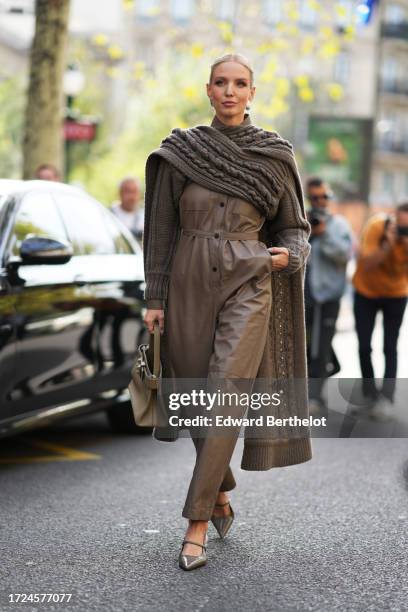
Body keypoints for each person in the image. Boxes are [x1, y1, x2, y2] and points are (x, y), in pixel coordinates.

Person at [142, 53, 312, 571]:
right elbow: (161, 230)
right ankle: (219, 489)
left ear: (252, 92)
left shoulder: (275, 155)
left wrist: (291, 255)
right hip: (187, 279)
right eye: (222, 83)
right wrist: (154, 298)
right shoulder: (181, 152)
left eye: (240, 83)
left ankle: (195, 523)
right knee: (196, 391)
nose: (230, 91)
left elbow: (294, 227)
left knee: (225, 392)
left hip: (250, 277)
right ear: (208, 90)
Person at [352, 202, 408, 420]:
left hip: (396, 295)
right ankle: (370, 394)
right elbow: (365, 264)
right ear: (393, 218)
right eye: (401, 225)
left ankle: (386, 398)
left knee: (390, 346)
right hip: (366, 292)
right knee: (364, 346)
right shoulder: (377, 227)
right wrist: (388, 244)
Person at [304, 177, 353, 414]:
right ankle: (330, 369)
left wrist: (324, 235)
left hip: (329, 295)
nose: (320, 201)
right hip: (305, 296)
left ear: (329, 197)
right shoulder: (302, 222)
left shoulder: (339, 224)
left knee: (321, 345)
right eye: (315, 197)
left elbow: (345, 255)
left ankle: (315, 397)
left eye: (324, 196)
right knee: (306, 345)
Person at [111, 177, 144, 242]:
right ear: (120, 193)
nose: (132, 197)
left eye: (135, 192)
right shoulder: (109, 215)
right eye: (128, 191)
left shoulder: (145, 218)